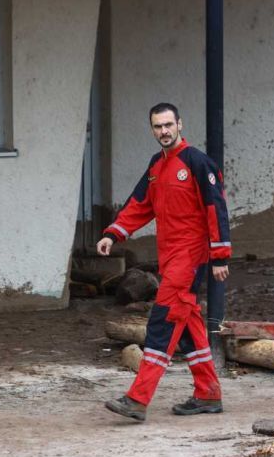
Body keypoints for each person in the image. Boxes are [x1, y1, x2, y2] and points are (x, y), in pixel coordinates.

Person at [98, 102, 231, 422]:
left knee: (163, 321)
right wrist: (113, 234)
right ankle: (208, 393)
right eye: (158, 127)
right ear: (152, 129)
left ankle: (138, 398)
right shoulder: (156, 166)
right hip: (169, 257)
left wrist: (220, 255)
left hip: (191, 256)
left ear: (180, 124)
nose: (164, 131)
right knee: (188, 326)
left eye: (168, 125)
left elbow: (216, 209)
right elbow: (139, 205)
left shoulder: (198, 162)